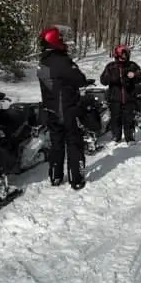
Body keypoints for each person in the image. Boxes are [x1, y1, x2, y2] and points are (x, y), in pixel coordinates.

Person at [36, 25, 89, 190]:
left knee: (56, 144)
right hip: (66, 110)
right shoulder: (62, 61)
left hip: (50, 109)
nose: (64, 42)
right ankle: (76, 178)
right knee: (74, 143)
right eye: (61, 39)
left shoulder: (43, 62)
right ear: (54, 41)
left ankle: (55, 176)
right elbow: (79, 79)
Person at [99, 44, 141, 144]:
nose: (123, 58)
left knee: (128, 118)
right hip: (115, 98)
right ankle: (116, 136)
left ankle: (129, 137)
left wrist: (134, 75)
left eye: (126, 55)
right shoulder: (111, 66)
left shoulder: (132, 65)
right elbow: (103, 80)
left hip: (129, 97)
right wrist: (111, 78)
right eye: (122, 56)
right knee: (115, 118)